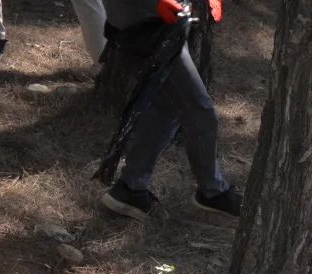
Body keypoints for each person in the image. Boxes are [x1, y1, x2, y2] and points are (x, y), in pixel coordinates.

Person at [97, 0, 240, 220]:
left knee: (167, 106)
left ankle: (130, 187)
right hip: (147, 21)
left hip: (162, 18)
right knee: (199, 110)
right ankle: (213, 191)